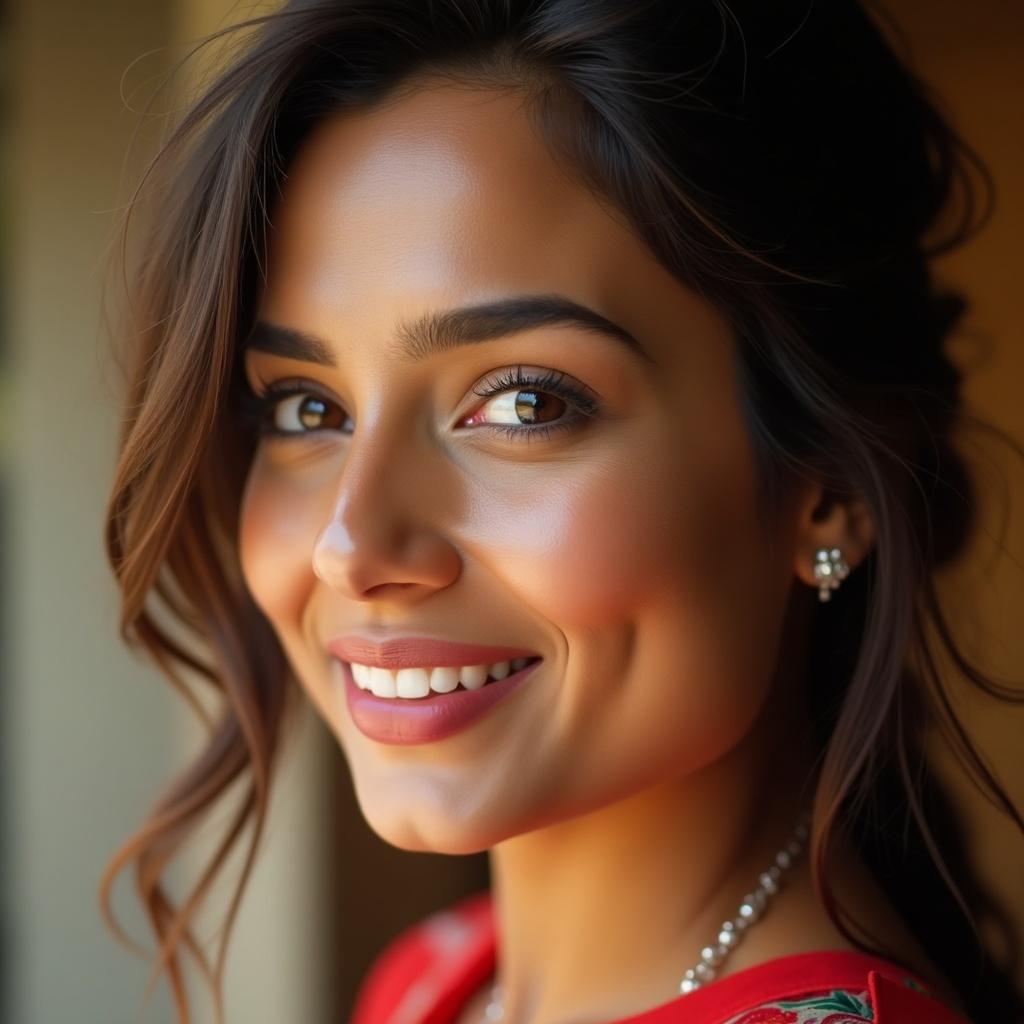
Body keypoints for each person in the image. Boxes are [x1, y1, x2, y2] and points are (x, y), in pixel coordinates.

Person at [97, 1, 1024, 1022]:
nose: (350, 546)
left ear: (829, 491)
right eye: (306, 407)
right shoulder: (437, 984)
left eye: (524, 402)